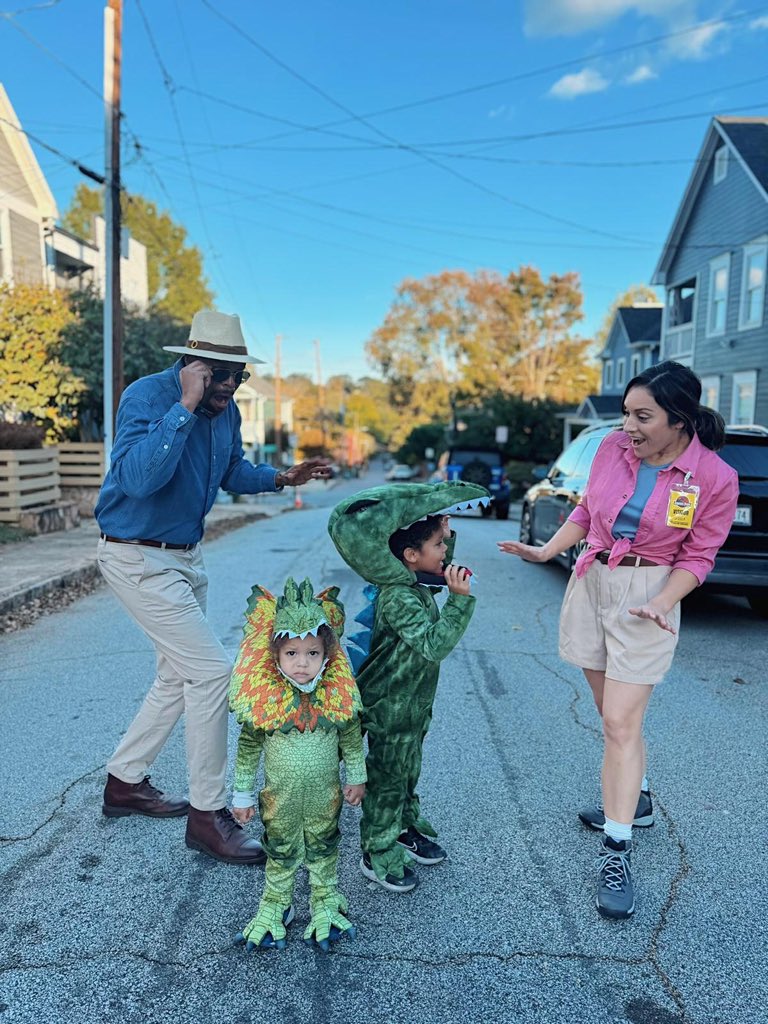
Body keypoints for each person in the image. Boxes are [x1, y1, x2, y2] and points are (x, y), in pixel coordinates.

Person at [498, 361, 738, 920]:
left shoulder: (715, 478)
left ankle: (617, 846)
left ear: (680, 419)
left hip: (651, 593)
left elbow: (699, 556)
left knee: (619, 724)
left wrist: (662, 600)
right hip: (593, 578)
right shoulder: (612, 448)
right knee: (610, 714)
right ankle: (640, 798)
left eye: (642, 416)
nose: (627, 425)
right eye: (626, 413)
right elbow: (586, 509)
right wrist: (545, 550)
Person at [96, 309, 330, 865]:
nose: (230, 386)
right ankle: (208, 813)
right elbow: (136, 480)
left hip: (185, 557)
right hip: (136, 556)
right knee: (210, 670)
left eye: (239, 376)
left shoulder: (226, 413)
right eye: (221, 374)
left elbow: (231, 472)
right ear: (193, 365)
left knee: (178, 676)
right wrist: (182, 407)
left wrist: (280, 477)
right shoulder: (148, 398)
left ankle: (124, 782)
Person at [328, 480, 488, 892]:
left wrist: (442, 526)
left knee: (406, 771)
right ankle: (377, 849)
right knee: (387, 777)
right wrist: (459, 600)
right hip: (390, 705)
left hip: (413, 705)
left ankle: (401, 826)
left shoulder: (415, 586)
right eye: (440, 544)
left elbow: (425, 647)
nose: (447, 551)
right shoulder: (398, 596)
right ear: (411, 556)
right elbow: (433, 646)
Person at [229, 577, 366, 951]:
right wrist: (241, 794)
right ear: (274, 655)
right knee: (280, 848)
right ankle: (276, 904)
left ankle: (325, 901)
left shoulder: (334, 696)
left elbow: (351, 736)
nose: (302, 663)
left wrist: (357, 776)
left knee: (324, 846)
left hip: (326, 797)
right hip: (280, 799)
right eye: (291, 653)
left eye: (312, 653)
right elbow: (247, 747)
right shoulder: (265, 704)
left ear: (328, 655)